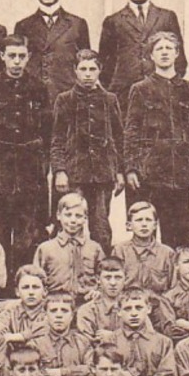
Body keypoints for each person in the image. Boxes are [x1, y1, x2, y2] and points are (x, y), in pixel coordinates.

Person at [0, 35, 52, 271]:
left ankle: (23, 278)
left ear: (28, 57)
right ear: (2, 57)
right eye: (12, 56)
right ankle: (1, 281)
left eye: (21, 56)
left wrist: (42, 165)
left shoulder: (39, 88)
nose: (17, 62)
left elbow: (48, 131)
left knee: (28, 230)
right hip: (0, 169)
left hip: (30, 168)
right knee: (0, 228)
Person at [124, 31, 189, 248]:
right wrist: (131, 168)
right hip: (149, 172)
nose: (165, 53)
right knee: (145, 228)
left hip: (180, 172)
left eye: (169, 48)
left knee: (181, 231)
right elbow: (131, 131)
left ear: (177, 53)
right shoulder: (140, 89)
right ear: (151, 55)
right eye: (159, 49)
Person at [50, 50, 125, 250]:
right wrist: (60, 171)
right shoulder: (64, 100)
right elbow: (57, 139)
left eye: (93, 69)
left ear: (100, 70)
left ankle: (101, 269)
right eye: (83, 69)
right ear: (75, 70)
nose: (88, 74)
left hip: (103, 175)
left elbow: (118, 137)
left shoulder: (110, 100)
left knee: (100, 226)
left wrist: (119, 172)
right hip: (75, 173)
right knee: (71, 223)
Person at [99, 0, 187, 95]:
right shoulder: (113, 21)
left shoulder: (167, 17)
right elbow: (105, 66)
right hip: (124, 95)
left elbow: (180, 60)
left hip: (160, 93)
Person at [105, 287, 178, 376]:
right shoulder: (111, 340)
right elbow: (105, 372)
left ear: (149, 309)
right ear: (119, 311)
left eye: (139, 307)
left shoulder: (162, 342)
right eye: (127, 309)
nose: (133, 313)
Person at [14, 0, 92, 99]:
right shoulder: (23, 26)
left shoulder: (77, 24)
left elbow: (86, 65)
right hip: (33, 97)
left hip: (67, 98)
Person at [35, 192, 104, 298]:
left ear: (85, 218)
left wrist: (99, 290)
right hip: (56, 305)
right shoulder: (45, 249)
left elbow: (105, 276)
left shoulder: (95, 248)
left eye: (78, 216)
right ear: (58, 215)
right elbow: (36, 279)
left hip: (87, 303)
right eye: (68, 215)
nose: (73, 220)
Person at [117, 201, 174, 295]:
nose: (144, 224)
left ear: (155, 225)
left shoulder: (167, 253)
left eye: (148, 220)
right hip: (128, 303)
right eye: (139, 220)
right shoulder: (120, 251)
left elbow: (173, 286)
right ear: (129, 225)